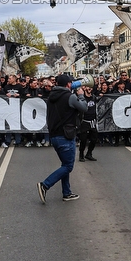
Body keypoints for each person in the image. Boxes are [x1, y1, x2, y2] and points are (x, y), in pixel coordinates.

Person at [37, 75, 87, 204]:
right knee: (68, 166)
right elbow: (84, 108)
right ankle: (45, 185)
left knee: (65, 165)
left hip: (54, 135)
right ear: (69, 84)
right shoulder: (70, 97)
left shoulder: (52, 96)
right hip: (66, 135)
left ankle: (67, 193)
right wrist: (81, 95)